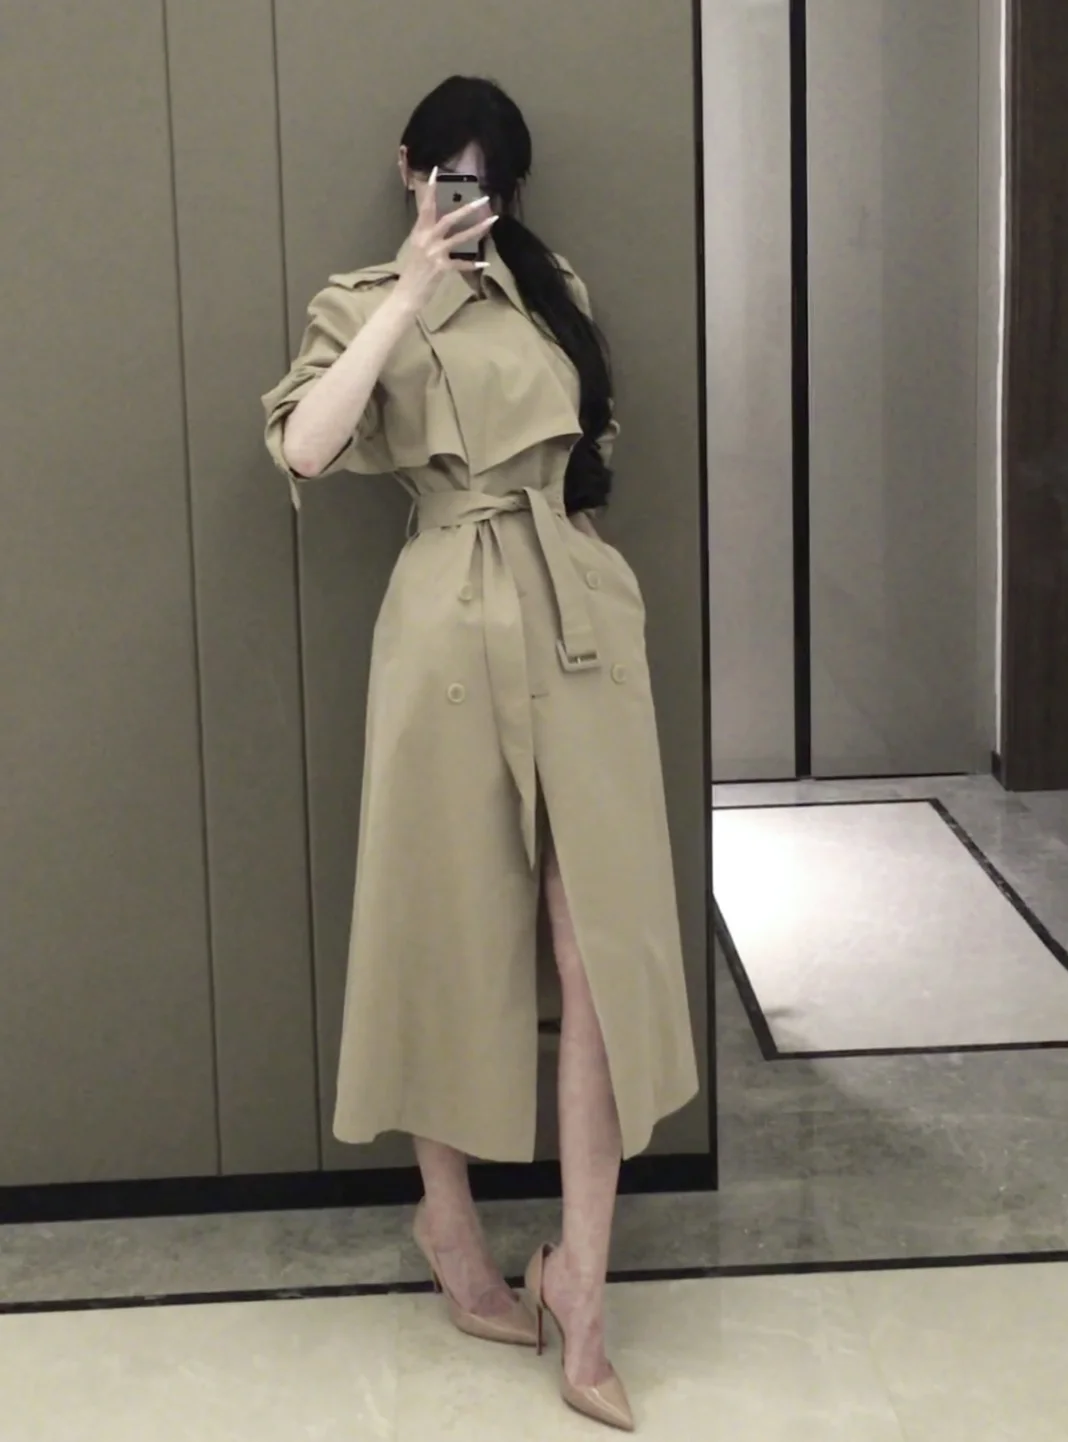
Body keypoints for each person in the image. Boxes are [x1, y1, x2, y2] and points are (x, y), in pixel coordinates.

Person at [261, 75, 699, 1433]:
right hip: (446, 621)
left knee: (599, 948)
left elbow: (591, 450)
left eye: (487, 183)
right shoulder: (355, 302)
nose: (468, 201)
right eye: (448, 176)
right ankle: (448, 1225)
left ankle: (584, 1288)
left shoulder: (552, 289)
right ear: (408, 170)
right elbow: (305, 446)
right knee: (449, 931)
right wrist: (406, 290)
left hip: (576, 617)